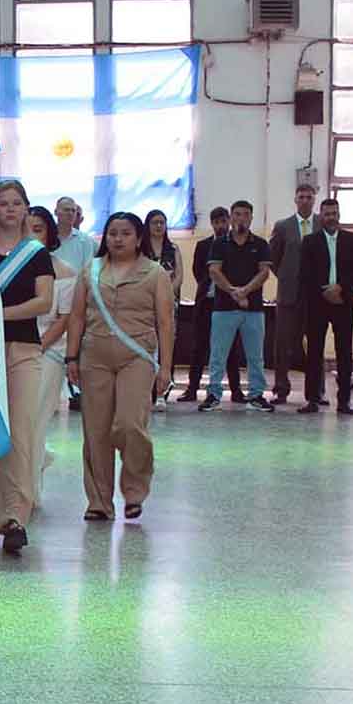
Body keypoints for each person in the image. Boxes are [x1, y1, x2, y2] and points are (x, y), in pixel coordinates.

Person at [66, 212, 174, 521]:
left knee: (130, 424)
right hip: (94, 356)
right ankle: (99, 502)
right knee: (96, 431)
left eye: (126, 233)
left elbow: (165, 322)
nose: (118, 239)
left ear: (139, 238)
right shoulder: (90, 270)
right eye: (113, 233)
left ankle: (134, 491)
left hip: (136, 356)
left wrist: (165, 368)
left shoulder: (155, 273)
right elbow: (76, 316)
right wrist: (71, 357)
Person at [0, 180, 54, 554]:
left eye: (17, 203)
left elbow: (43, 302)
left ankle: (15, 516)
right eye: (3, 203)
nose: (10, 209)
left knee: (19, 433)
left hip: (23, 350)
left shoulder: (36, 254)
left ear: (26, 208)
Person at [200, 200, 275, 412]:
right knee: (218, 355)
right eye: (237, 214)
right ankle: (213, 394)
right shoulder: (219, 244)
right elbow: (214, 271)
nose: (241, 218)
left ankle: (256, 395)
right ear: (231, 218)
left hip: (253, 309)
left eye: (245, 214)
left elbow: (264, 273)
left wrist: (246, 291)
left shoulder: (261, 244)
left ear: (251, 218)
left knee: (255, 356)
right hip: (224, 308)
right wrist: (234, 291)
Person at [26, 206, 79, 499]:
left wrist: (40, 345)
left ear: (49, 233)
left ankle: (30, 490)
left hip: (48, 351)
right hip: (14, 349)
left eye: (38, 230)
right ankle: (36, 462)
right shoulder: (10, 267)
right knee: (18, 421)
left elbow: (65, 317)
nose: (31, 236)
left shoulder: (65, 271)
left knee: (35, 419)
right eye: (26, 229)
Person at [298, 198, 353, 416]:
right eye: (327, 214)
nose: (331, 218)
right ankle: (312, 400)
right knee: (314, 352)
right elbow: (305, 274)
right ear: (321, 217)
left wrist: (340, 288)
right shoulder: (310, 242)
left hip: (343, 303)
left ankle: (344, 402)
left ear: (339, 215)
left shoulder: (352, 241)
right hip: (317, 304)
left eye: (334, 213)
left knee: (344, 352)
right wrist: (325, 291)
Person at [179, 206, 242, 403]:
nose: (220, 226)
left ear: (229, 222)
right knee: (199, 346)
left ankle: (236, 391)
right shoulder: (203, 245)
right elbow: (198, 271)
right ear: (212, 224)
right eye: (216, 222)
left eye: (223, 221)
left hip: (228, 304)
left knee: (231, 348)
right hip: (206, 302)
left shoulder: (235, 244)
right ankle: (192, 389)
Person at [270, 183, 319, 405]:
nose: (305, 200)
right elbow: (273, 257)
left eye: (309, 197)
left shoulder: (322, 224)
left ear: (314, 199)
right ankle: (281, 389)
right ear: (295, 200)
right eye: (301, 197)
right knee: (283, 344)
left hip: (316, 295)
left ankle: (316, 391)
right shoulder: (283, 226)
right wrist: (286, 275)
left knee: (316, 343)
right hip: (288, 294)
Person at [144, 209, 180, 412]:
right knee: (148, 347)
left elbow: (179, 276)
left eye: (162, 223)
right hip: (145, 305)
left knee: (166, 346)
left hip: (168, 304)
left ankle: (162, 393)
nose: (159, 226)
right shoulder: (141, 249)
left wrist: (165, 295)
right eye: (155, 222)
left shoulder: (173, 249)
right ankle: (147, 391)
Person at [52, 196, 96, 274]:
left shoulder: (85, 240)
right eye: (66, 210)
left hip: (78, 281)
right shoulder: (47, 237)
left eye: (73, 211)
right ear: (56, 212)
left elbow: (88, 270)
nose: (70, 213)